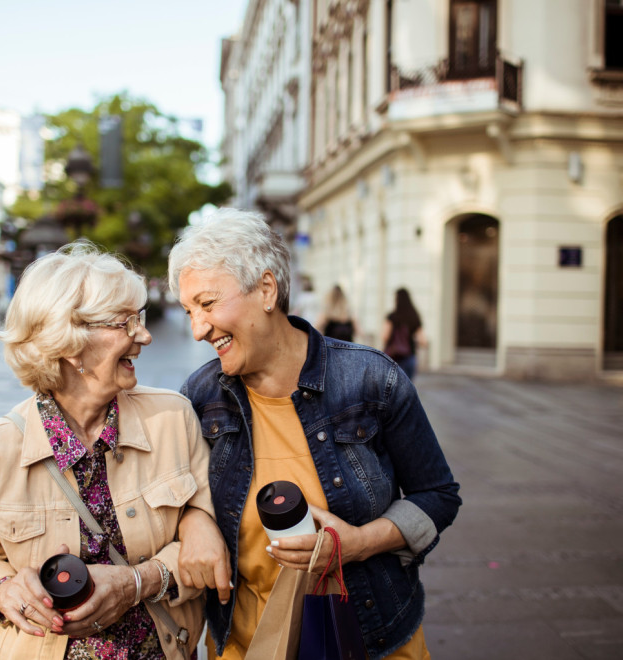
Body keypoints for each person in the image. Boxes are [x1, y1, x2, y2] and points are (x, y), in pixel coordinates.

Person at [167, 209, 461, 660]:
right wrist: (195, 520)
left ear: (266, 289)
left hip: (371, 640)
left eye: (207, 304)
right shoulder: (201, 397)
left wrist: (359, 544)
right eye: (189, 311)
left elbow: (437, 495)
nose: (198, 328)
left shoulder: (370, 380)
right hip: (248, 644)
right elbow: (179, 497)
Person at [0, 241, 231, 660]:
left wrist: (137, 582)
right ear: (67, 341)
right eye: (124, 322)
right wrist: (2, 589)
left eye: (138, 318)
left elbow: (207, 537)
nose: (145, 335)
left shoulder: (172, 418)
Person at [382, 288, 428, 381]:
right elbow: (423, 341)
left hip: (393, 358)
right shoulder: (414, 316)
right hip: (409, 357)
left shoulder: (392, 316)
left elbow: (385, 336)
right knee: (407, 390)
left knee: (393, 390)